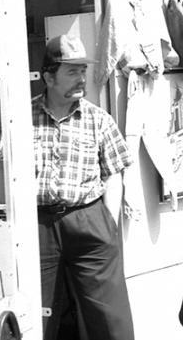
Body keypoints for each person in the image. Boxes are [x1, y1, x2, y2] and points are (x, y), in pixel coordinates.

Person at [33, 34, 135, 340]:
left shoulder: (98, 119)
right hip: (38, 223)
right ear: (49, 77)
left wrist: (109, 222)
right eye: (72, 71)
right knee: (38, 311)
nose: (81, 78)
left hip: (88, 219)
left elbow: (114, 174)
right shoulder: (22, 118)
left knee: (108, 314)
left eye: (83, 71)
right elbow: (3, 166)